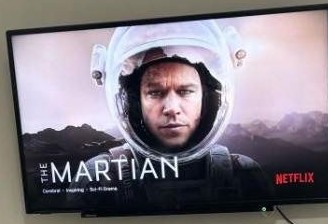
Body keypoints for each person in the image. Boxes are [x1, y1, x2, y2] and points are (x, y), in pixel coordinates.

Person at [86, 23, 268, 208]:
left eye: (186, 91)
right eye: (155, 93)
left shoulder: (245, 174)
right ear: (134, 103)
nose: (172, 108)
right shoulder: (98, 176)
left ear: (208, 100)